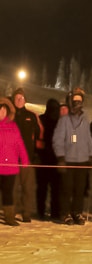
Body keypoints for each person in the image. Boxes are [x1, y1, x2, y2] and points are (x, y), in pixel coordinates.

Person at [53, 88, 92, 225]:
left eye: (80, 101)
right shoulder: (64, 121)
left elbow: (88, 138)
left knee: (79, 189)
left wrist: (90, 155)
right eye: (75, 101)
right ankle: (65, 213)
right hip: (68, 160)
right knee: (66, 188)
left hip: (82, 160)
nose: (77, 104)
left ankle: (77, 212)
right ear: (70, 103)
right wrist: (60, 158)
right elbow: (57, 140)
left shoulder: (85, 120)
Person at [10, 89, 41, 223]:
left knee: (28, 188)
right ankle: (11, 212)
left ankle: (26, 213)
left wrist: (36, 153)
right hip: (11, 159)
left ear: (25, 100)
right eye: (17, 98)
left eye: (21, 98)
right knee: (12, 188)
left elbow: (38, 136)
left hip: (27, 158)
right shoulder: (9, 116)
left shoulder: (31, 116)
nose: (19, 100)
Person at [0, 97, 30, 227]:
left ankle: (9, 217)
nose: (1, 112)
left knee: (8, 192)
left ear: (7, 112)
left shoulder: (13, 126)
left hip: (10, 166)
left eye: (3, 110)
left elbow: (19, 144)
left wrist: (24, 159)